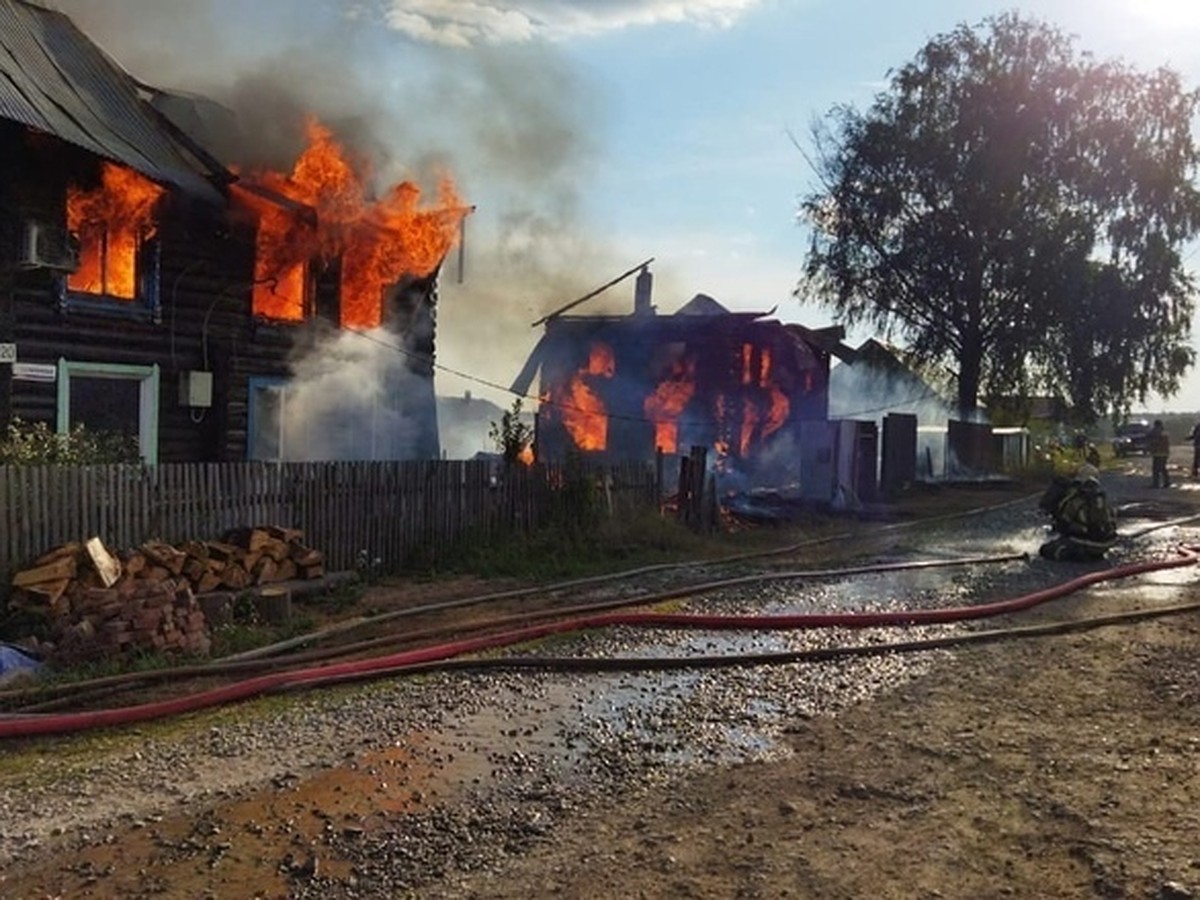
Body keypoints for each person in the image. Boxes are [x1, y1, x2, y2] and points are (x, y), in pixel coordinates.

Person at [1038, 464, 1118, 561]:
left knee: (1045, 550)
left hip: (1086, 542)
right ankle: (1092, 553)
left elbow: (1064, 523)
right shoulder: (1101, 497)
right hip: (1108, 542)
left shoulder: (1076, 498)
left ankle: (1071, 553)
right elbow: (1112, 518)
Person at [1148, 419, 1171, 488]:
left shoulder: (1154, 432)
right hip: (1164, 453)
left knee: (1156, 469)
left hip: (1157, 453)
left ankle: (1156, 483)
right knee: (1163, 468)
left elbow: (1150, 438)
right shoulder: (1165, 432)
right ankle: (1166, 482)